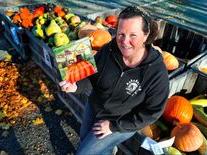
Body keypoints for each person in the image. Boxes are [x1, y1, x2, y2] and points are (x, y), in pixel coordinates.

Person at [59, 6, 169, 155]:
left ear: (146, 34)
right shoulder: (108, 50)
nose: (125, 41)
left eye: (133, 35)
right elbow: (92, 77)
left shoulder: (156, 72)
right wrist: (75, 86)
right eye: (121, 34)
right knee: (88, 143)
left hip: (121, 121)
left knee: (84, 153)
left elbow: (152, 112)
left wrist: (114, 126)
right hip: (94, 107)